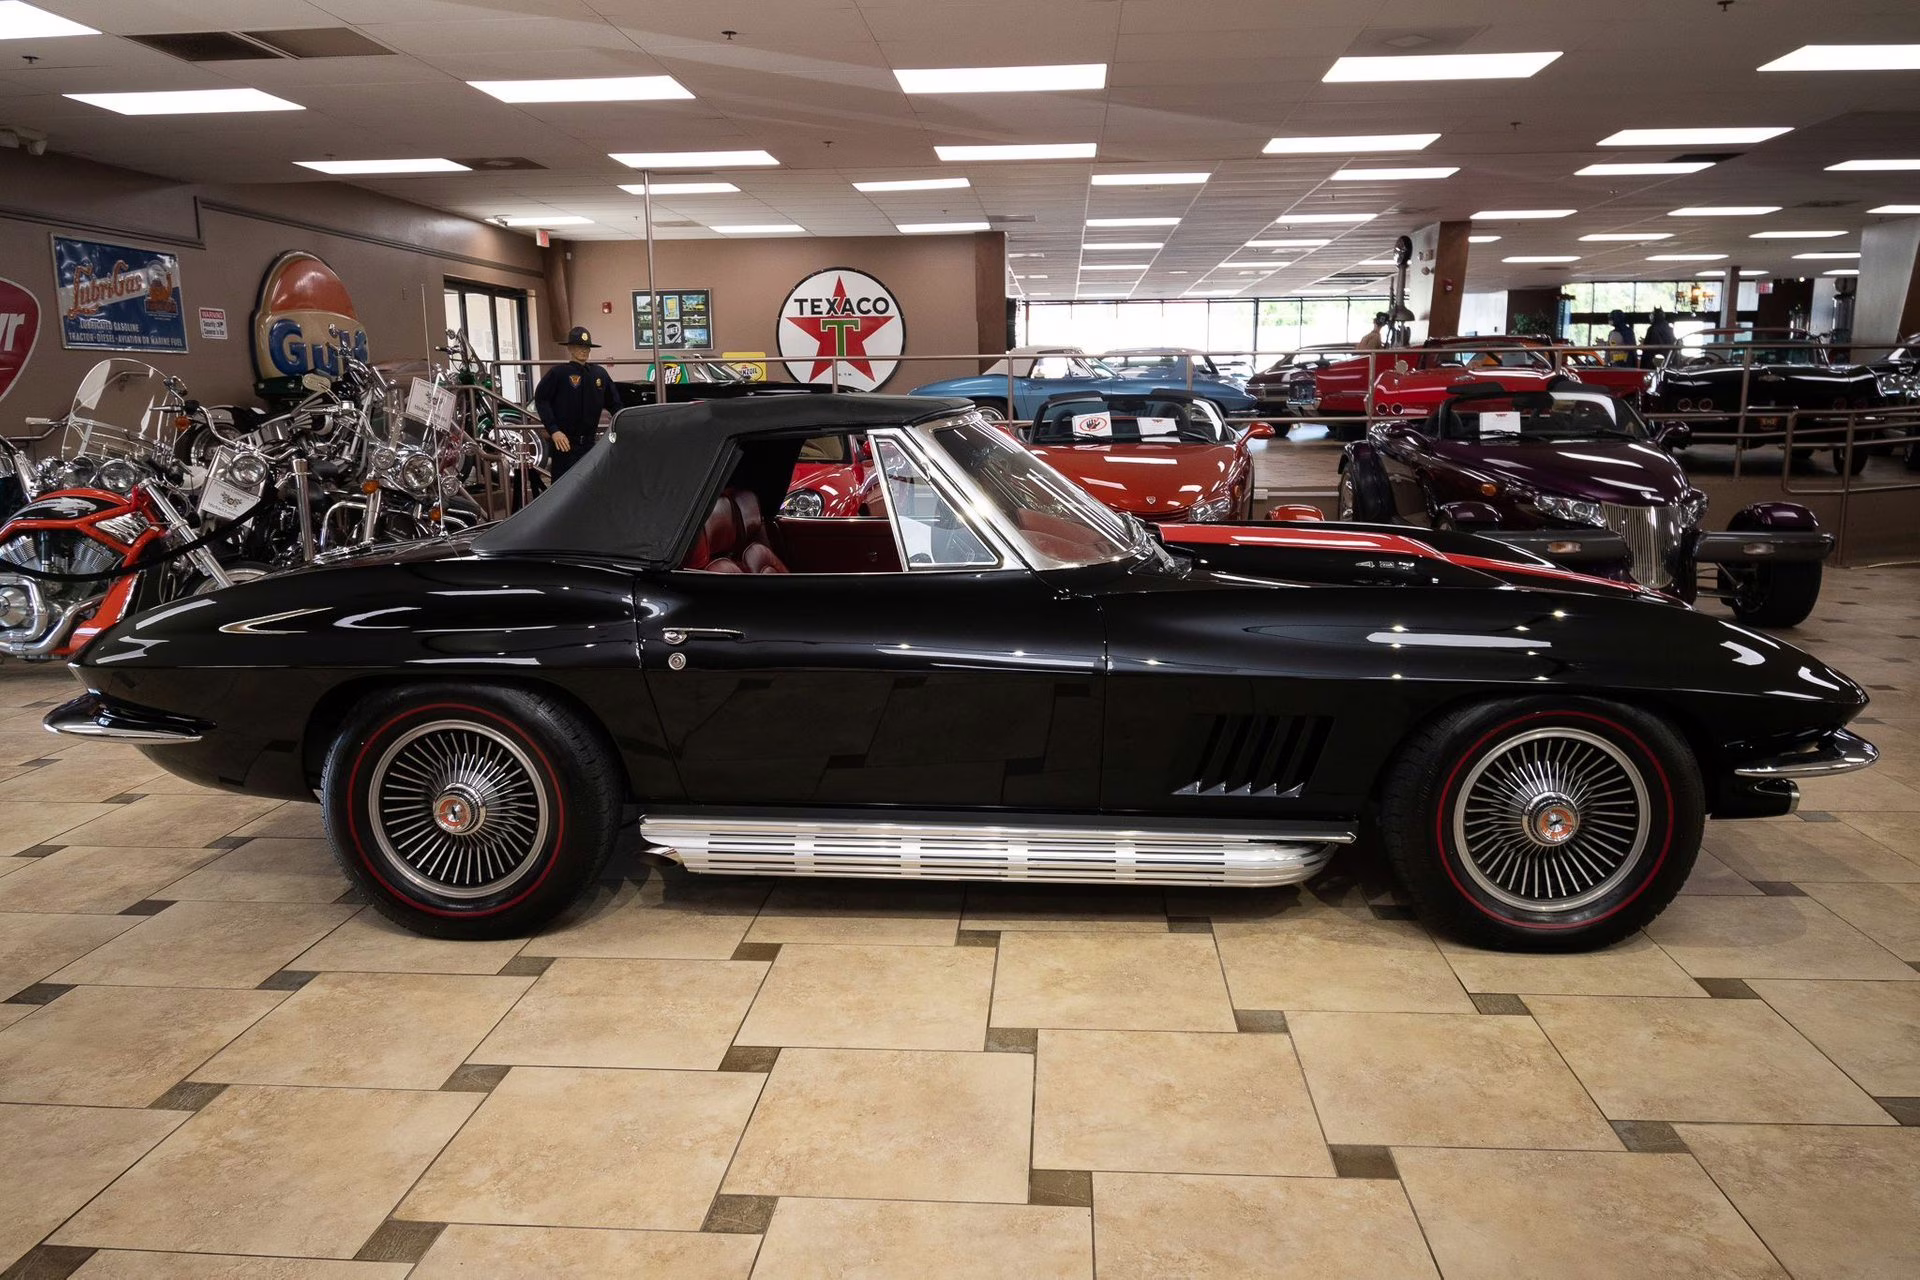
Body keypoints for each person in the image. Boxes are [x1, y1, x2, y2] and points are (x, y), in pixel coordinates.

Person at [533, 326, 621, 481]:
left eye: (587, 347)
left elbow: (615, 404)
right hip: (565, 443)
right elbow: (541, 399)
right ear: (570, 348)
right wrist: (554, 430)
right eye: (580, 346)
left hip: (589, 443)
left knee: (589, 485)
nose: (584, 350)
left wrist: (622, 423)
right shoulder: (559, 373)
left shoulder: (599, 374)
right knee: (562, 487)